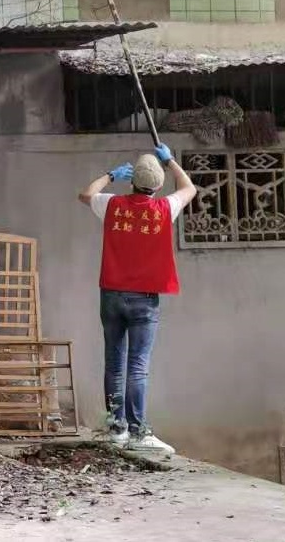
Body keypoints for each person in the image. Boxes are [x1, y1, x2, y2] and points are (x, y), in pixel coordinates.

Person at [77, 143, 197, 454]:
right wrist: (171, 161)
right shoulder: (164, 209)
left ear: (131, 182)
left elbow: (85, 194)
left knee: (114, 363)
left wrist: (109, 175)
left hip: (111, 295)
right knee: (138, 366)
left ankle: (116, 428)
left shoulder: (112, 205)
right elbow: (189, 188)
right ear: (157, 187)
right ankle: (138, 431)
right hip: (144, 299)